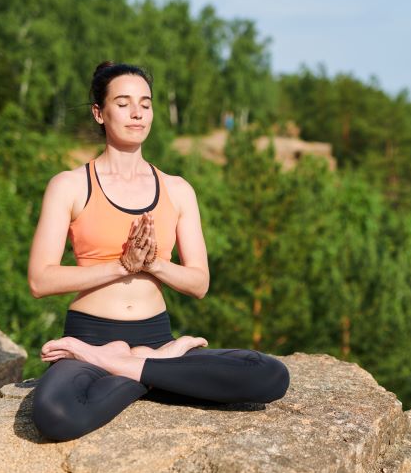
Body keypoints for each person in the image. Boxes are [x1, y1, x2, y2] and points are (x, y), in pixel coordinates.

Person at [27, 61, 290, 442]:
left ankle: (127, 364)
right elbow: (40, 279)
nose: (137, 112)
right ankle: (149, 369)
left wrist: (154, 264)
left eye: (145, 103)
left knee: (269, 374)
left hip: (155, 337)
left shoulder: (178, 189)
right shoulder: (69, 185)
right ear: (99, 113)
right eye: (123, 102)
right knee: (56, 415)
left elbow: (199, 282)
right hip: (92, 335)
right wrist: (122, 266)